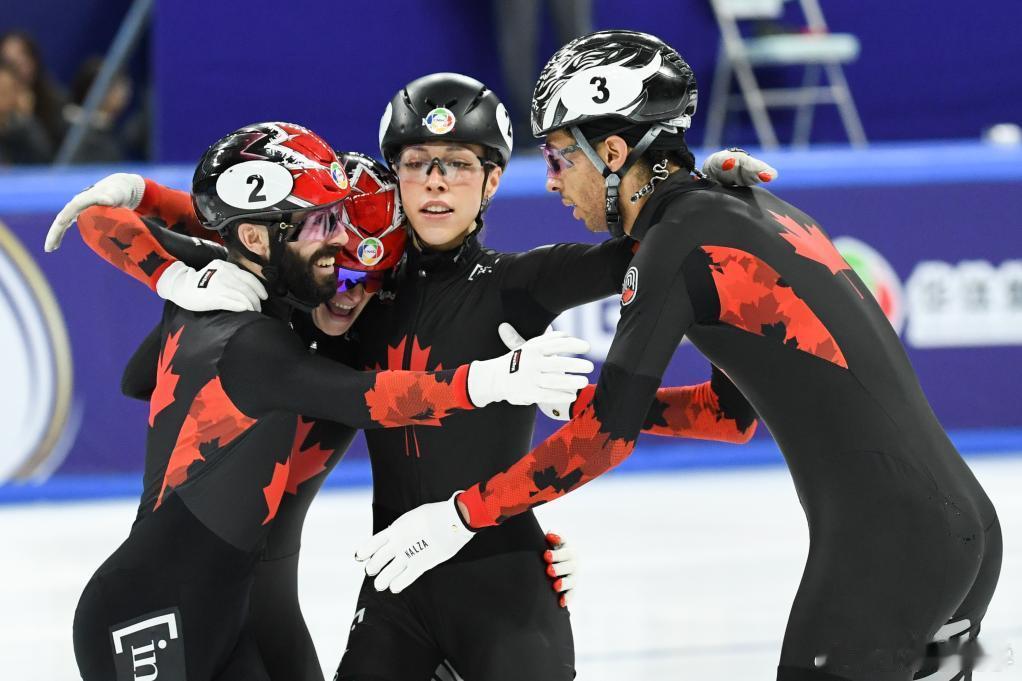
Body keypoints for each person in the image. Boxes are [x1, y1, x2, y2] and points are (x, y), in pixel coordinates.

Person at [354, 32, 1002, 681]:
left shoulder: (675, 244)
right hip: (963, 527)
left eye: (557, 157)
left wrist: (464, 513)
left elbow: (603, 442)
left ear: (611, 152)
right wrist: (581, 398)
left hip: (890, 547)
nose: (551, 181)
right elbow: (729, 414)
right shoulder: (735, 210)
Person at [53, 121, 593, 681]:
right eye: (338, 269)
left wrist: (516, 545)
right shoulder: (239, 309)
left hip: (256, 609)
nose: (349, 292)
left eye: (371, 279)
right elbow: (118, 233)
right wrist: (172, 276)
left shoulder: (351, 338)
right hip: (155, 607)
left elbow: (140, 378)